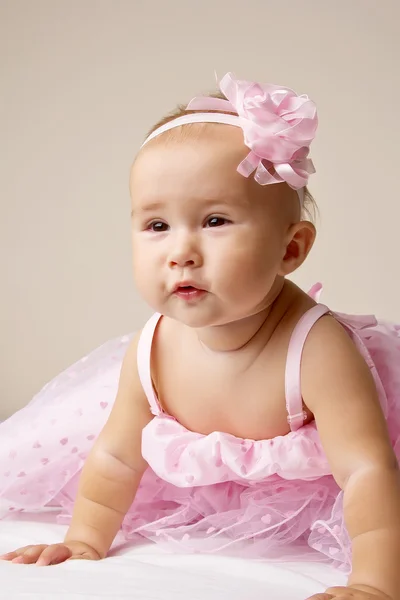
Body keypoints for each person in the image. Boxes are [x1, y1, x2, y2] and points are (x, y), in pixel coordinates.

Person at [1, 73, 400, 600]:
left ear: (291, 250)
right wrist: (84, 541)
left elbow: (367, 469)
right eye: (156, 226)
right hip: (224, 492)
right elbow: (117, 457)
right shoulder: (153, 349)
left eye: (214, 220)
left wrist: (375, 581)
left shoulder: (318, 350)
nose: (180, 251)